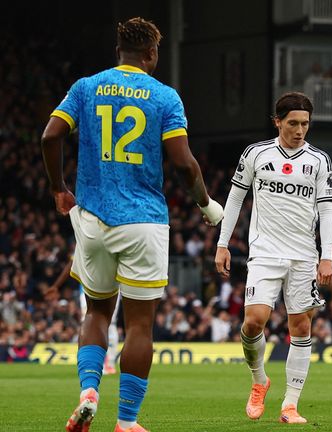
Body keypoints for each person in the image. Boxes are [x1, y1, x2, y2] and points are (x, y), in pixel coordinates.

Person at [41, 17, 223, 432]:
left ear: (117, 50)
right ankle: (126, 421)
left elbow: (50, 136)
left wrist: (58, 188)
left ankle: (89, 391)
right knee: (139, 324)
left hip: (90, 217)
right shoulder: (164, 96)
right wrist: (206, 204)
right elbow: (183, 163)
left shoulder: (86, 87)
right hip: (143, 220)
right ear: (152, 54)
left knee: (98, 313)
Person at [214, 92, 332, 424]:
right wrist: (222, 244)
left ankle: (290, 405)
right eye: (293, 123)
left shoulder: (320, 161)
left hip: (302, 257)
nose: (300, 130)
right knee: (253, 321)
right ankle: (259, 381)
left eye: (305, 124)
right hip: (264, 253)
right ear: (278, 121)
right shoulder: (256, 154)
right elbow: (235, 199)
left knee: (301, 325)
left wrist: (326, 256)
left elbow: (327, 212)